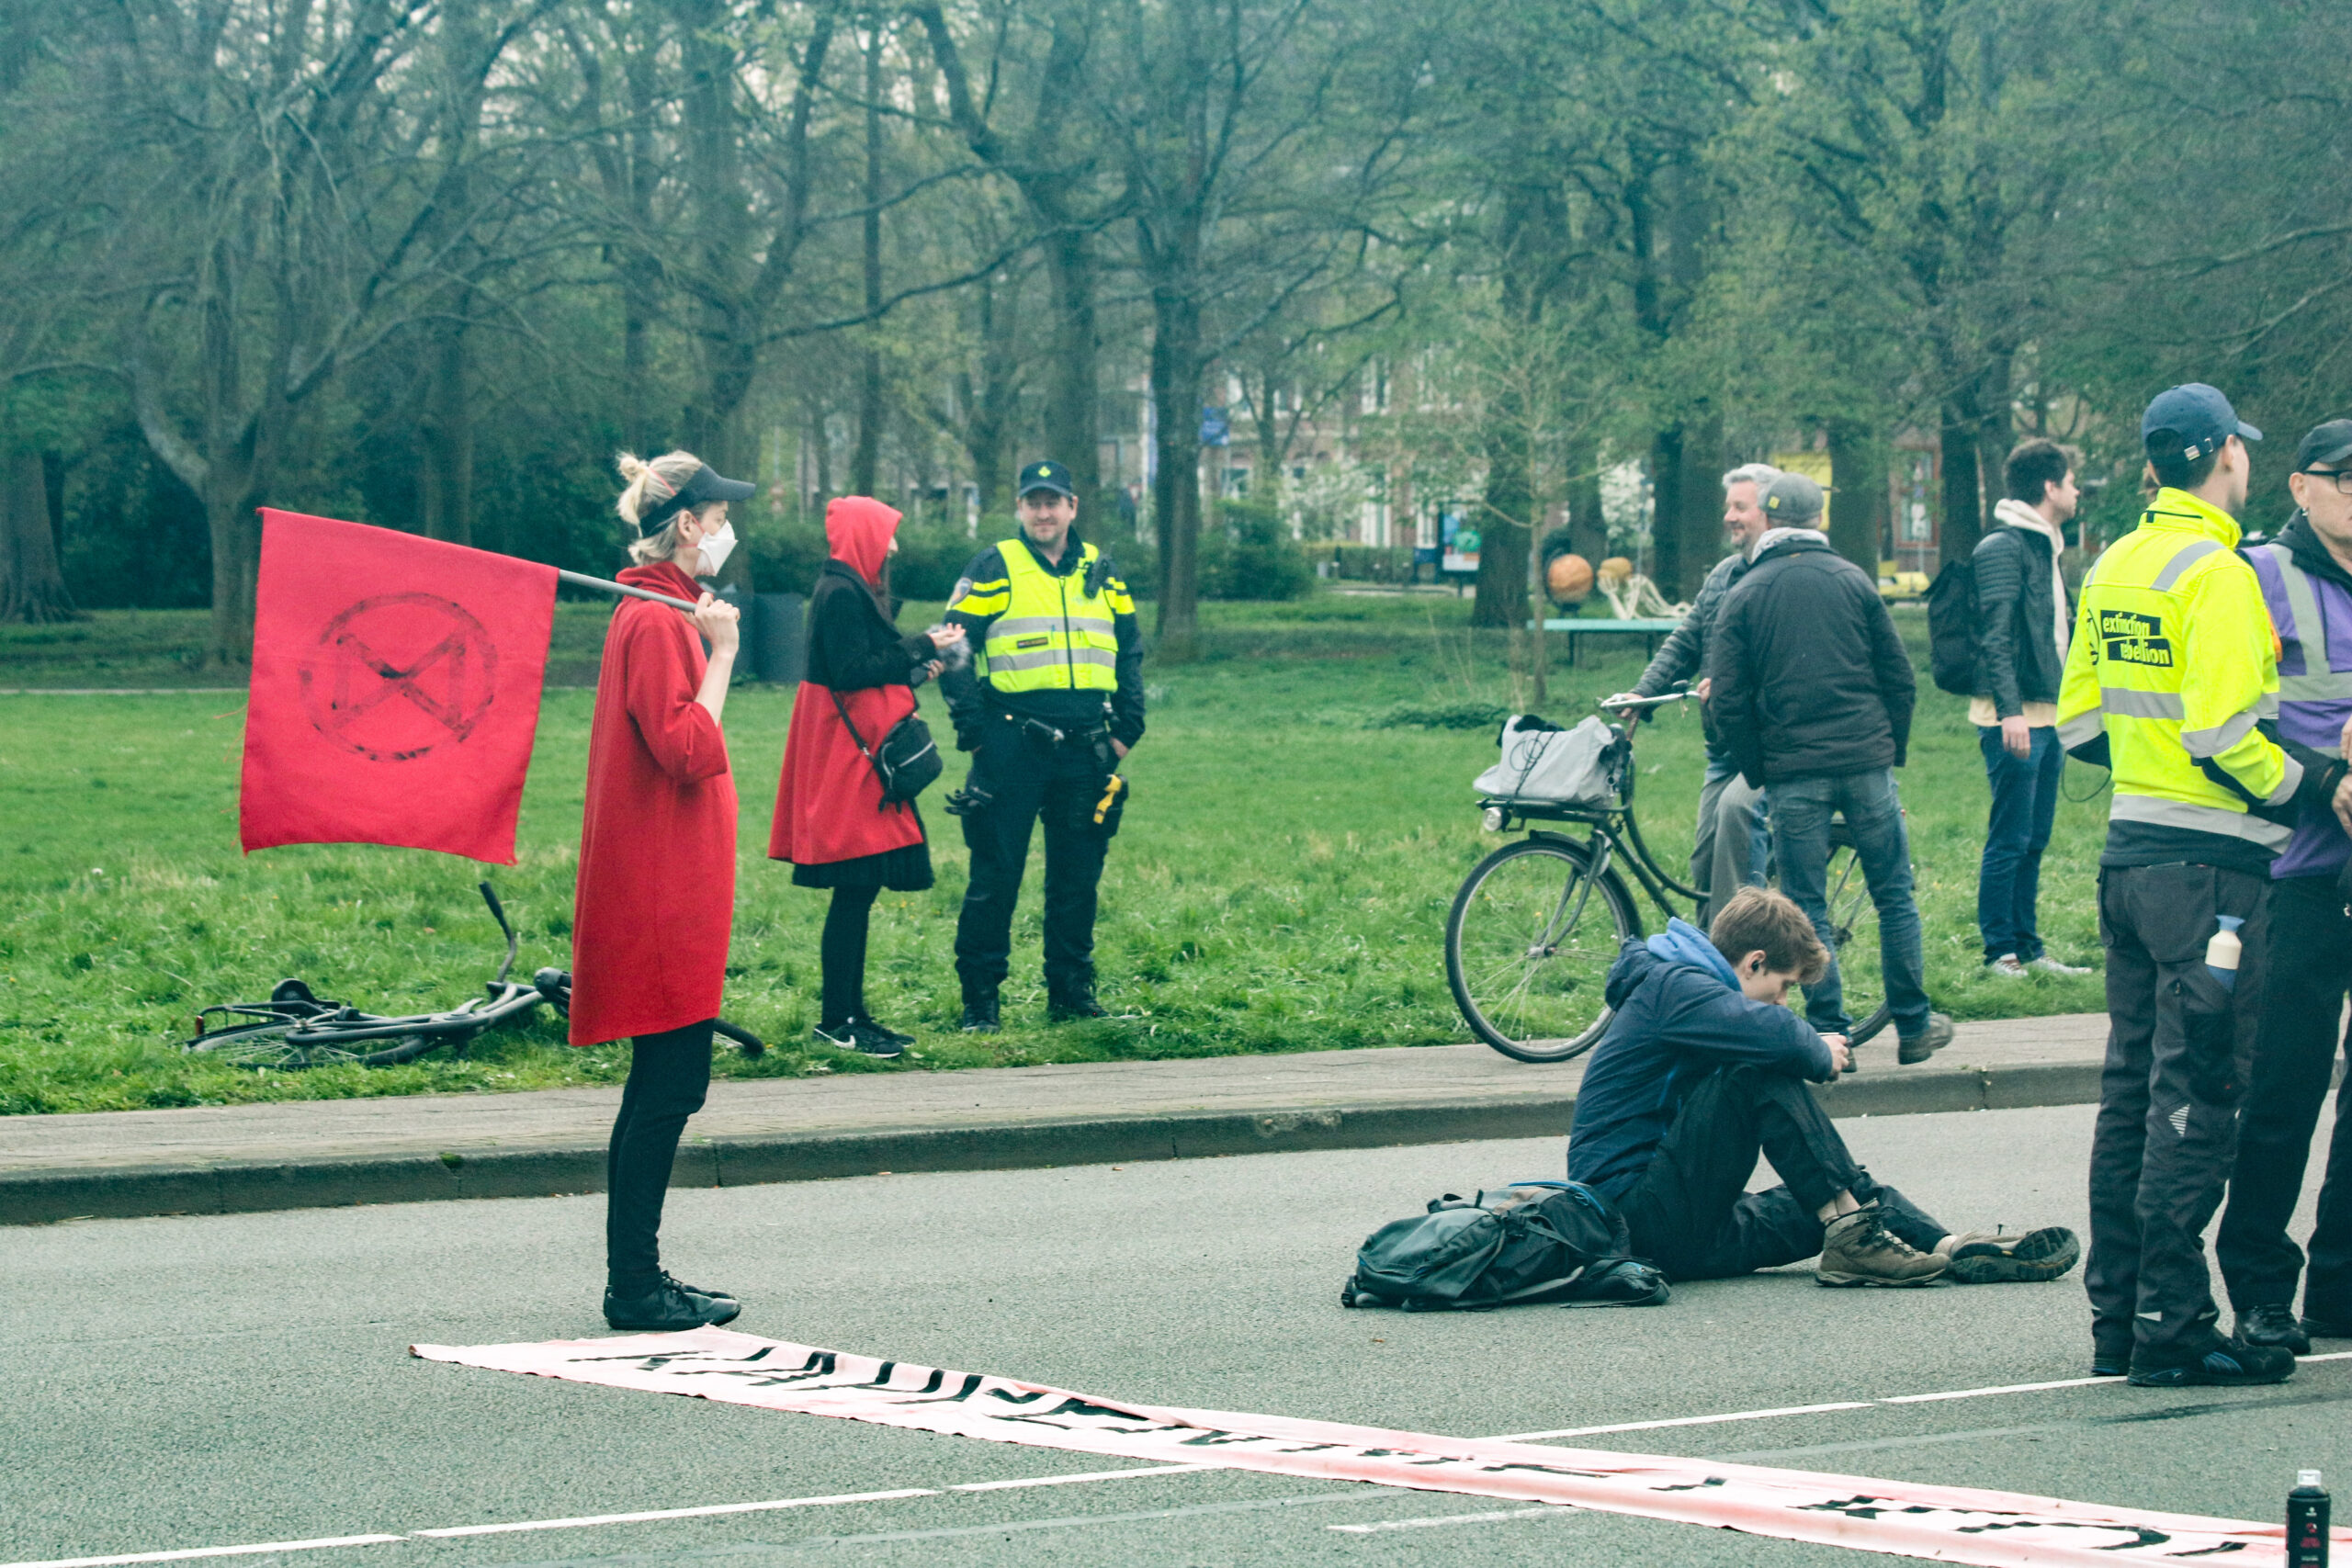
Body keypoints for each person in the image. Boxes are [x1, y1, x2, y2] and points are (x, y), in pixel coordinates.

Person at [2057, 384, 2349, 1387]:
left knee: (2130, 1094)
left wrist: (2154, 775)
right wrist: (2322, 785)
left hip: (2129, 855)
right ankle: (2172, 1328)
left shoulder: (2114, 562)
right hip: (2215, 872)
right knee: (2203, 1093)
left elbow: (2079, 725)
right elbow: (2230, 738)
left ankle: (2118, 1318)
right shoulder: (2219, 571)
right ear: (2226, 455)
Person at [1566, 887, 2080, 1288]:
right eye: (1784, 985)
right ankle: (1855, 1242)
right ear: (1754, 962)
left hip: (1693, 1229)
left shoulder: (1698, 998)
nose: (1784, 1000)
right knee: (1756, 1071)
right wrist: (1815, 1047)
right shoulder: (1674, 987)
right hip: (1634, 1218)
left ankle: (1950, 1247)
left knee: (1841, 1197)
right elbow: (1780, 1041)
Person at [571, 448, 755, 1333]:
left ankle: (636, 1278)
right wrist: (721, 654)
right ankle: (635, 1284)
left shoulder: (669, 609)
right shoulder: (655, 622)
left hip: (674, 882)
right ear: (688, 525)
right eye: (719, 517)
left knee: (664, 1084)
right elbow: (686, 748)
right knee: (668, 1086)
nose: (727, 532)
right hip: (659, 894)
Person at [1707, 471, 1955, 1065]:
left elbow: (1728, 698)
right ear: (1818, 520)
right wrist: (1887, 748)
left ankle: (1831, 1031)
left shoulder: (1747, 591)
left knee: (1807, 906)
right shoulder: (1854, 581)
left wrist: (1758, 764)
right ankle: (1915, 1025)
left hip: (1794, 771)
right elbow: (1900, 676)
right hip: (1865, 762)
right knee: (1895, 894)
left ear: (1767, 520)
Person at [2214, 418, 2352, 1355]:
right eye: (2346, 477)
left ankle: (2340, 1288)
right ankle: (2260, 1286)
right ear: (2301, 487)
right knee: (2282, 1088)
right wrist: (2327, 775)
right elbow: (2230, 719)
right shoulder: (2261, 574)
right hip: (2296, 872)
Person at [941, 460, 1146, 1030]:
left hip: (1087, 748)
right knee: (996, 876)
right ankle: (980, 1001)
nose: (1044, 512)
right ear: (1020, 508)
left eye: (1054, 501)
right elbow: (952, 648)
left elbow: (1128, 649)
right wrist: (975, 733)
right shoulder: (994, 564)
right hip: (1013, 744)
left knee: (1077, 878)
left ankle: (1072, 994)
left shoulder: (1099, 567)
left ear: (1073, 508)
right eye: (1034, 502)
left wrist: (1127, 729)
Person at [770, 496, 966, 1057]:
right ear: (865, 536)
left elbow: (865, 665)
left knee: (859, 891)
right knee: (854, 891)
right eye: (888, 534)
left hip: (854, 753)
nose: (895, 547)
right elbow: (855, 671)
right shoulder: (838, 593)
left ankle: (850, 1013)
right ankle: (839, 1019)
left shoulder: (847, 590)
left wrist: (915, 665)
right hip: (847, 759)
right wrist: (924, 644)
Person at [1606, 462, 1778, 924]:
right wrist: (1642, 694)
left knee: (1734, 850)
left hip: (1768, 742)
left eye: (1740, 507)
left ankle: (1742, 957)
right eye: (1729, 507)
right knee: (1705, 863)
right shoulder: (1724, 574)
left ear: (1769, 512)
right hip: (1724, 745)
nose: (1730, 516)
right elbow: (1687, 639)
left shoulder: (1782, 575)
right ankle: (1709, 963)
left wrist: (1735, 684)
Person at [1972, 440, 2095, 980]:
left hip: (2048, 716)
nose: (2075, 490)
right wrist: (2010, 712)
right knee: (2010, 837)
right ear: (2049, 487)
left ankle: (2028, 946)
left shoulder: (2045, 544)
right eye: (2070, 481)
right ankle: (1998, 949)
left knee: (2035, 837)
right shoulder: (2004, 547)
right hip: (2015, 720)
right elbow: (1993, 637)